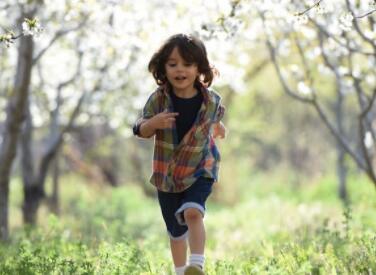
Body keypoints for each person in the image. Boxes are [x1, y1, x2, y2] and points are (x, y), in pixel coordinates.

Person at [132, 33, 226, 275]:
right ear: (163, 68)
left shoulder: (211, 100)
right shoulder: (159, 100)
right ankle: (179, 270)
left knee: (193, 212)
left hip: (200, 167)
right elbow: (139, 128)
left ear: (199, 68)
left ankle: (196, 266)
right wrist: (153, 123)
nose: (180, 70)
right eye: (173, 64)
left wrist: (218, 127)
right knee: (176, 232)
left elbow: (213, 119)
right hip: (168, 174)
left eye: (187, 64)